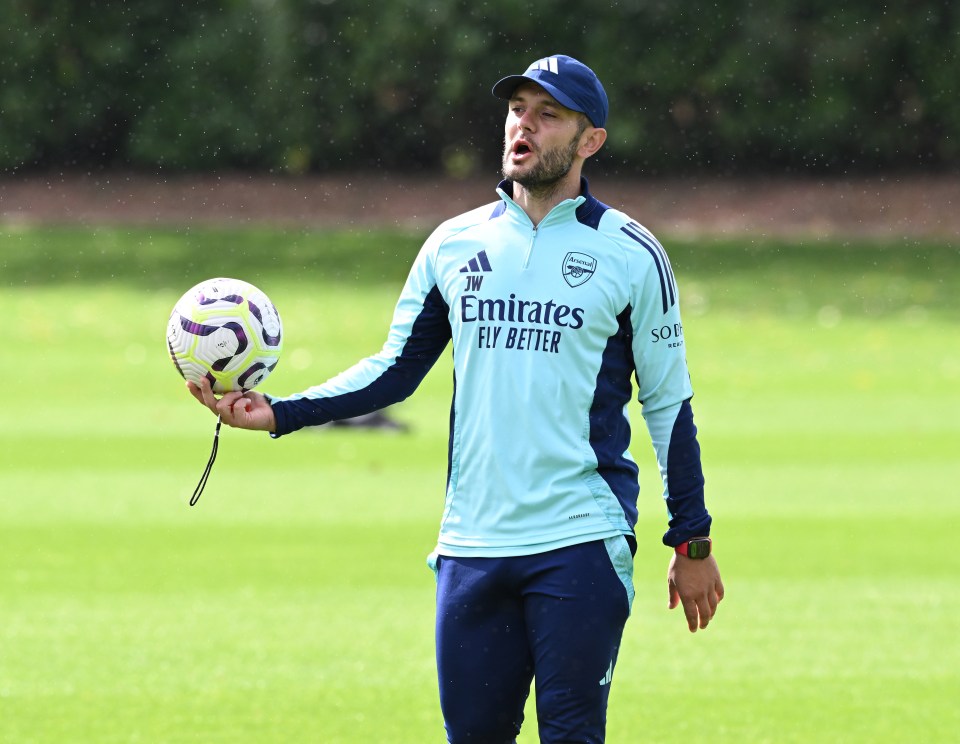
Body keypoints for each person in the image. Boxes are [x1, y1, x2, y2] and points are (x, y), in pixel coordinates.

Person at [189, 53, 724, 744]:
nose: (523, 126)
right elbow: (395, 370)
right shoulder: (453, 243)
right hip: (471, 544)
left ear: (590, 141)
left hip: (580, 541)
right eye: (517, 110)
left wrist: (693, 536)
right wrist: (281, 411)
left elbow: (668, 403)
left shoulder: (631, 253)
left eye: (548, 115)